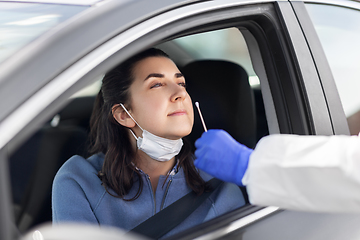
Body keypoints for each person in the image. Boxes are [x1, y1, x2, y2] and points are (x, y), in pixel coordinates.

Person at [52, 48, 245, 238]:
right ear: (123, 114)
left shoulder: (218, 183)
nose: (180, 93)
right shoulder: (79, 181)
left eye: (181, 83)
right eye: (157, 85)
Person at [194, 129, 360, 213]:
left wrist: (249, 164)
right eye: (165, 85)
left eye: (182, 84)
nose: (179, 93)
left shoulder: (223, 192)